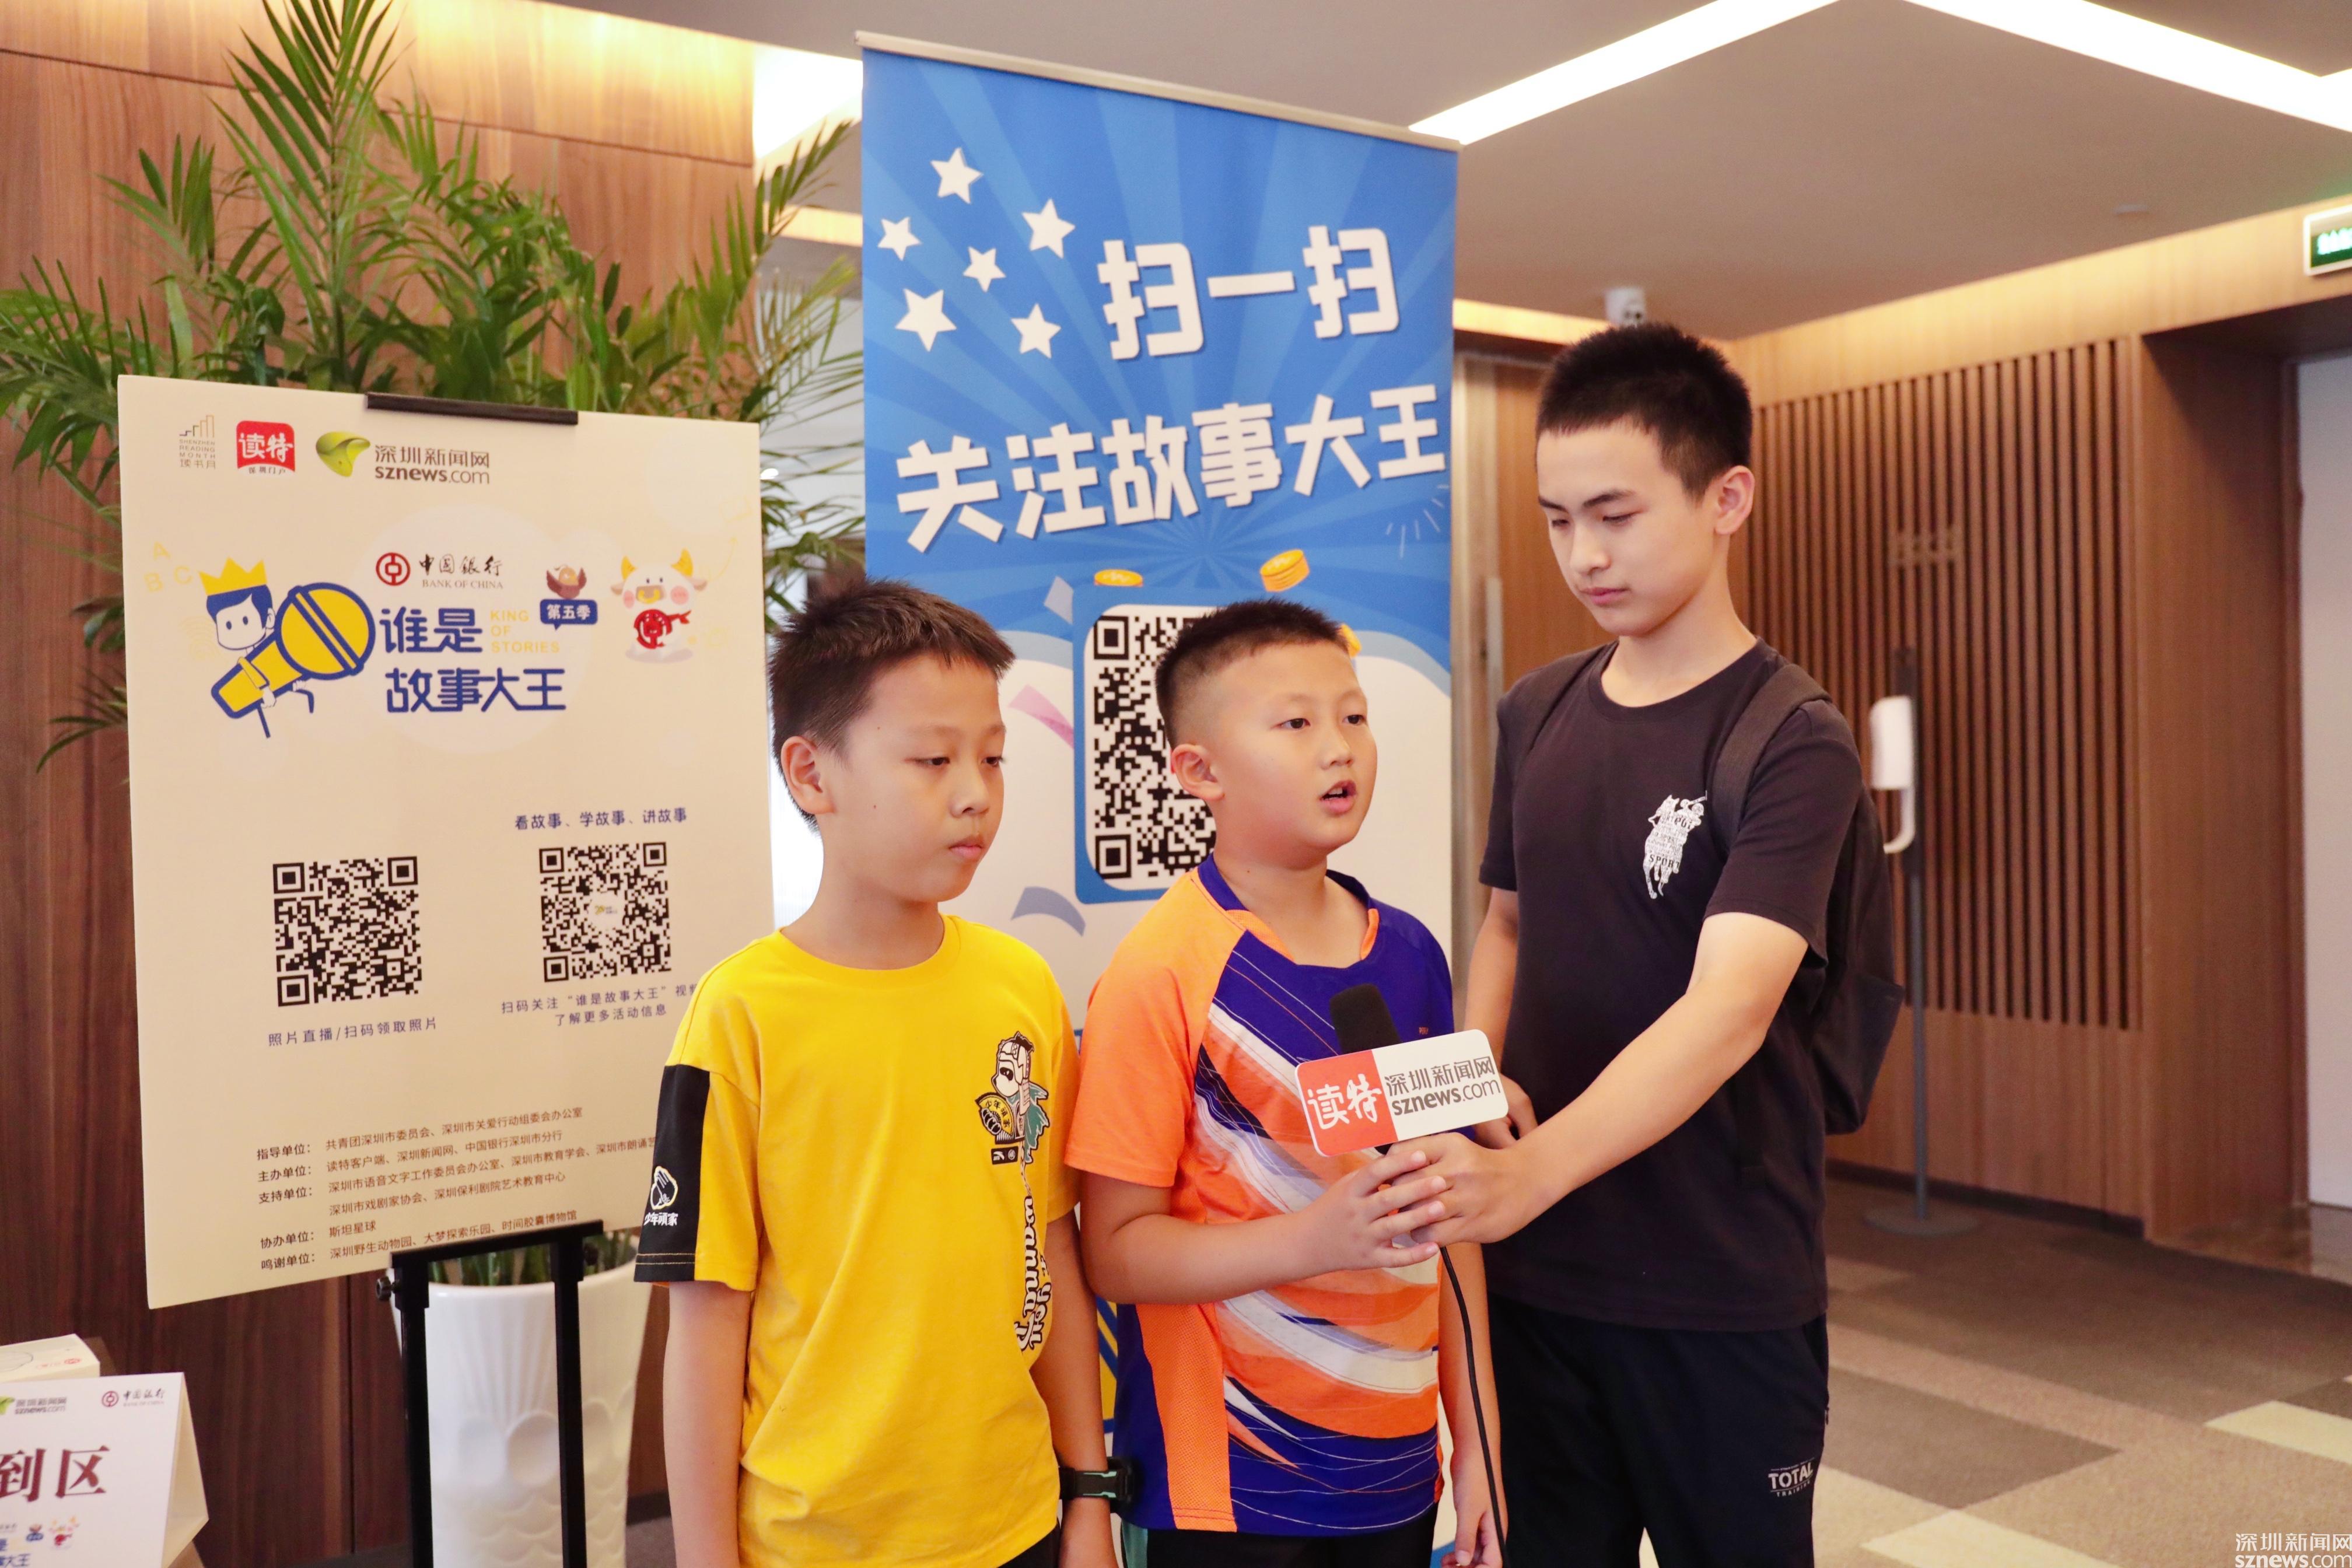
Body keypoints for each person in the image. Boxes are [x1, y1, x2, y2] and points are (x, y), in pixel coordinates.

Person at [1399, 324, 1866, 1566]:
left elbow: (1728, 1011)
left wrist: (1527, 1177)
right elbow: (1509, 922)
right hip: (1539, 1276)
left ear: (1728, 499)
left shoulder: (1793, 739)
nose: (1584, 555)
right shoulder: (1538, 709)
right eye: (1558, 521)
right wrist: (1465, 1098)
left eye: (1615, 515)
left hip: (1717, 1281)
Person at [637, 577, 1117, 1568]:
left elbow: (1054, 1251)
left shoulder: (1021, 988)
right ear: (811, 773)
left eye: (992, 757)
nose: (975, 791)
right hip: (817, 1540)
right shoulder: (738, 1017)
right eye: (934, 760)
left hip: (1016, 1519)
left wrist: (1088, 1496)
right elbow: (706, 1322)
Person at [1069, 598, 1504, 1568]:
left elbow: (1454, 1219)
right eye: (1296, 723)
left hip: (1397, 1471)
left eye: (1353, 716)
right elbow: (1116, 1254)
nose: (1338, 748)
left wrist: (1478, 1448)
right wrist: (1315, 1238)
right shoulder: (1159, 973)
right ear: (1199, 772)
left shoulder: (1412, 954)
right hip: (1230, 1487)